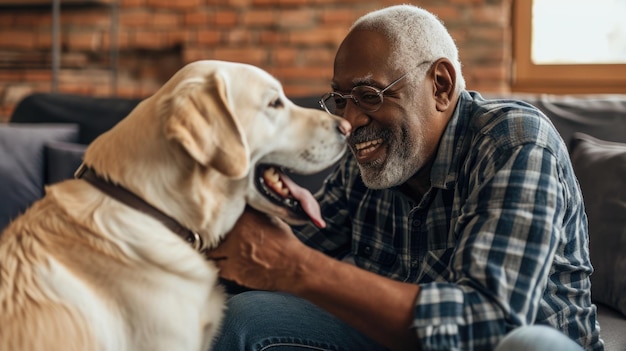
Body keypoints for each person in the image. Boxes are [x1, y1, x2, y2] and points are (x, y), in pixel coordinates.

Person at [207, 4, 604, 351]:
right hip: (399, 340)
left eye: (369, 95)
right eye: (341, 99)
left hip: (519, 341)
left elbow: (490, 324)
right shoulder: (371, 158)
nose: (349, 120)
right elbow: (275, 253)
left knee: (526, 345)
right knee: (239, 317)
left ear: (441, 87)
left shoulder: (515, 141)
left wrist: (299, 268)